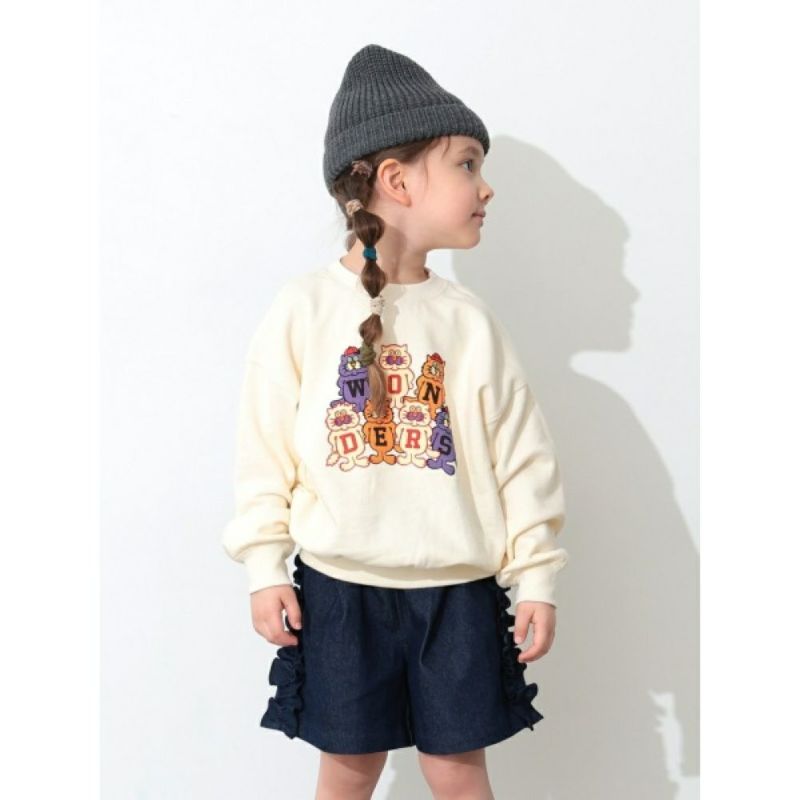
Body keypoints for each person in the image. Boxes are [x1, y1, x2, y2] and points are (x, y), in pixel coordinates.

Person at [222, 43, 570, 800]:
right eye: (468, 164)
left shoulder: (469, 322)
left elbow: (522, 456)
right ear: (396, 179)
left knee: (458, 774)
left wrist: (537, 576)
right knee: (348, 772)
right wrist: (264, 567)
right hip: (339, 590)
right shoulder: (304, 309)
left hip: (458, 592)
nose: (486, 186)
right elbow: (264, 451)